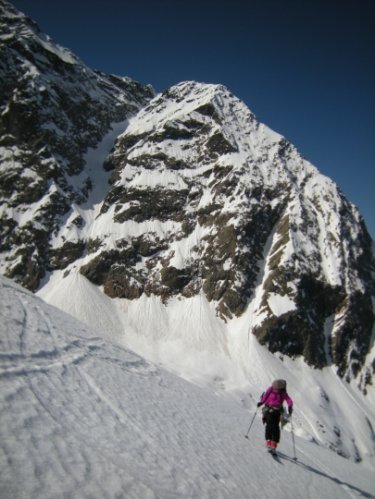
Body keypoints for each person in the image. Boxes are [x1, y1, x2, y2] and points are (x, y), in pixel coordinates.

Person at [257, 379, 293, 452]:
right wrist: (261, 402)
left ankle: (273, 442)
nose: (276, 389)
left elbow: (289, 400)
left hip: (277, 411)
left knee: (275, 427)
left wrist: (290, 406)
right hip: (269, 409)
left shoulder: (282, 393)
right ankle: (269, 441)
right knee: (270, 425)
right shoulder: (272, 390)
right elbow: (265, 396)